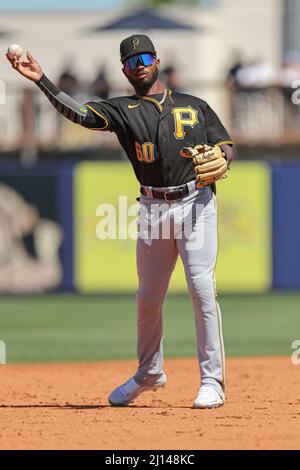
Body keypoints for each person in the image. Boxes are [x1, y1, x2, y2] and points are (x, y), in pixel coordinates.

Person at [7, 34, 233, 409]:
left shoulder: (196, 104)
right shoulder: (122, 109)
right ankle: (149, 373)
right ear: (124, 70)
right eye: (131, 60)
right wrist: (41, 79)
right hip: (153, 206)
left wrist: (225, 158)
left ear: (157, 60)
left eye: (144, 56)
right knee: (147, 298)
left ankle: (212, 380)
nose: (139, 63)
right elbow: (78, 114)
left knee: (201, 288)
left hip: (196, 201)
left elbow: (224, 145)